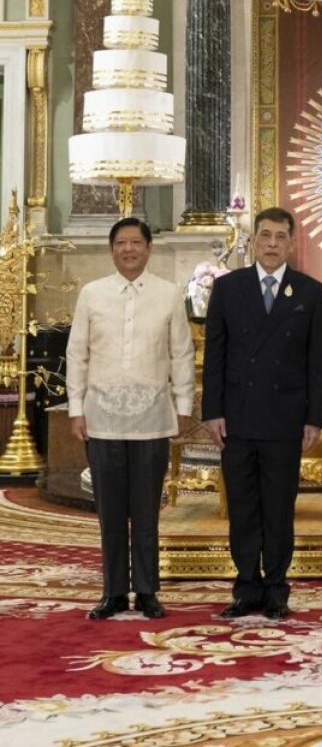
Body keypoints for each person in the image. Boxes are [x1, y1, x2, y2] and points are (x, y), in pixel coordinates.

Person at [202, 206, 322, 620]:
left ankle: (276, 588)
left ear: (292, 243)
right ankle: (245, 587)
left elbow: (317, 361)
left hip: (285, 417)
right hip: (236, 416)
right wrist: (212, 411)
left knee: (278, 507)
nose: (272, 244)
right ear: (253, 241)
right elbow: (215, 355)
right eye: (265, 236)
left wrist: (316, 417)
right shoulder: (229, 288)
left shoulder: (310, 292)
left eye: (280, 237)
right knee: (242, 506)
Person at [66, 217, 194, 620]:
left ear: (148, 248)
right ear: (111, 249)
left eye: (136, 242)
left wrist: (184, 407)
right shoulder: (91, 294)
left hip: (153, 416)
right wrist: (75, 409)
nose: (128, 249)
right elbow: (76, 353)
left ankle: (147, 591)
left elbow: (182, 354)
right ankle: (113, 592)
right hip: (101, 415)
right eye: (120, 243)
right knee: (110, 510)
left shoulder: (169, 294)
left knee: (145, 509)